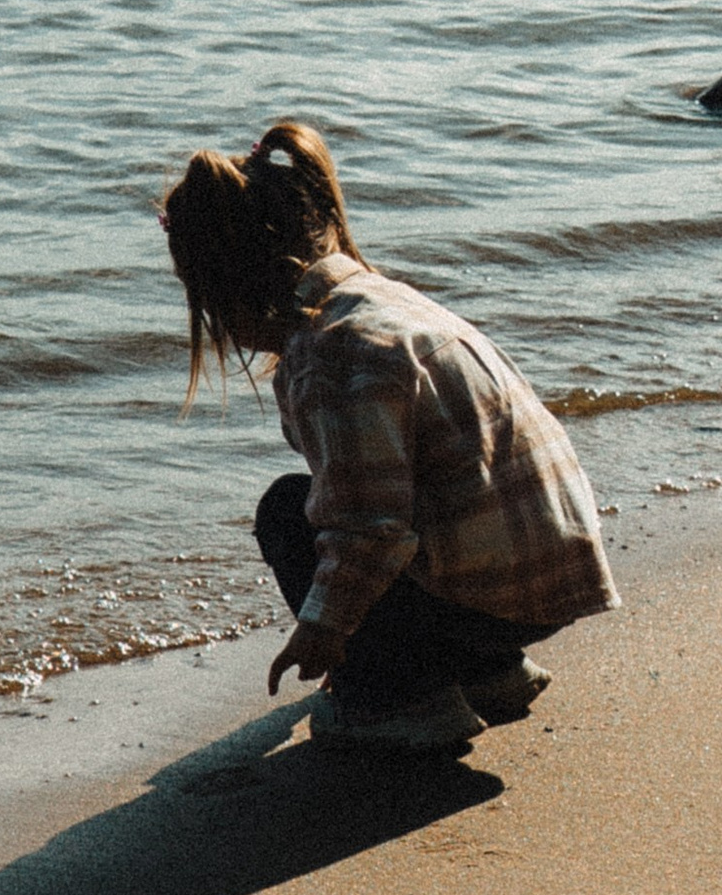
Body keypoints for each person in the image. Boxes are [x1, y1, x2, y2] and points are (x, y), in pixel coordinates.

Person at [159, 120, 618, 755]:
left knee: (289, 512)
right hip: (554, 576)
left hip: (490, 598)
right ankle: (487, 672)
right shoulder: (384, 301)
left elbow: (367, 530)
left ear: (233, 289)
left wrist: (321, 630)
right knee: (359, 495)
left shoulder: (330, 353)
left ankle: (400, 701)